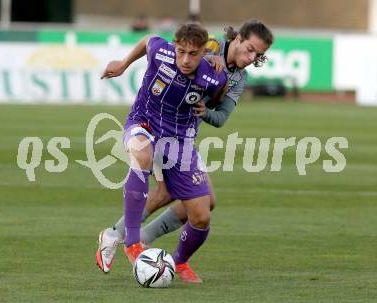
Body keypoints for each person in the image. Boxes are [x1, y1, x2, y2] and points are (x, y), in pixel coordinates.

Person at [97, 19, 274, 281]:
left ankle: (133, 239)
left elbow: (221, 115)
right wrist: (123, 65)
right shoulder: (207, 45)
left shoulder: (237, 77)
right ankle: (126, 238)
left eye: (258, 55)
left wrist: (207, 110)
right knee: (160, 181)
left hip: (184, 134)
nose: (251, 58)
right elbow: (156, 42)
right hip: (153, 125)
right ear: (237, 39)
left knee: (203, 207)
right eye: (249, 49)